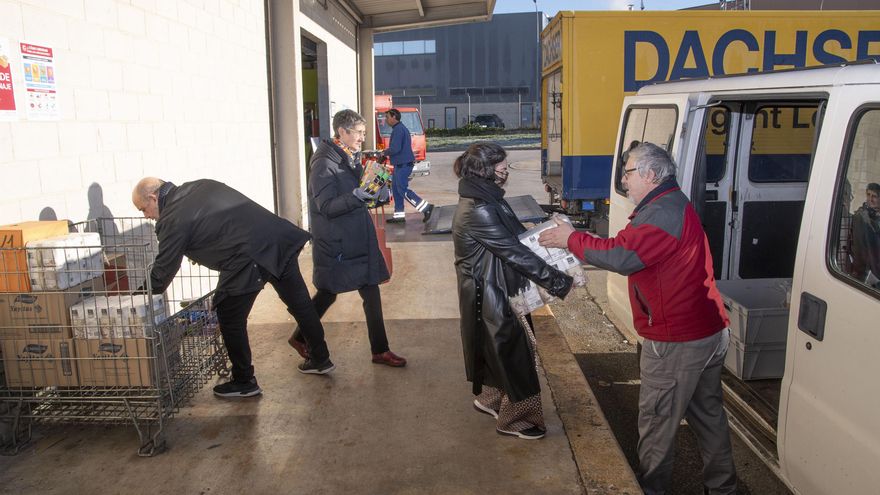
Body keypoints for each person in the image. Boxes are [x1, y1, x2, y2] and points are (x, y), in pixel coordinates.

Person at [539, 142, 737, 494]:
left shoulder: (662, 212)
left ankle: (653, 489)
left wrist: (572, 239)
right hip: (707, 329)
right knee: (708, 416)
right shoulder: (670, 203)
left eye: (627, 173)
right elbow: (630, 246)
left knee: (658, 422)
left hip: (678, 339)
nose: (624, 181)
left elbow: (623, 255)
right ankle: (723, 488)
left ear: (649, 174)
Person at [131, 177, 334, 399]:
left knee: (229, 315)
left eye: (144, 209)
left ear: (153, 198)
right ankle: (320, 358)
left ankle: (244, 381)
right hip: (276, 238)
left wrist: (131, 303)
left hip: (249, 256)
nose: (147, 216)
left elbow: (162, 271)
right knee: (301, 304)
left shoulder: (173, 217)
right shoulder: (199, 185)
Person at [452, 142, 573, 440]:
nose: (506, 172)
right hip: (490, 291)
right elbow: (515, 252)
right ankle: (516, 419)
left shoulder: (485, 195)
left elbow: (515, 236)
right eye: (502, 168)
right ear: (485, 170)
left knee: (499, 350)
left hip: (497, 284)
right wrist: (558, 280)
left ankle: (491, 399)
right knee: (516, 352)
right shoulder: (478, 208)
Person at [287, 109, 407, 368]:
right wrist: (358, 195)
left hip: (356, 237)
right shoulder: (324, 163)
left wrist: (375, 193)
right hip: (338, 242)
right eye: (359, 133)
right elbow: (327, 206)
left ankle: (380, 350)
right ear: (342, 131)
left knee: (370, 290)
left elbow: (356, 195)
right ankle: (299, 337)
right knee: (328, 292)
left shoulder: (348, 157)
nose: (363, 138)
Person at [382, 108, 435, 224]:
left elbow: (395, 148)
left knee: (402, 189)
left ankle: (426, 208)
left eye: (387, 117)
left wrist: (384, 153)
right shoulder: (399, 129)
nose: (386, 120)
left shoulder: (398, 130)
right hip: (400, 165)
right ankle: (399, 215)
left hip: (402, 165)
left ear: (394, 117)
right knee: (396, 190)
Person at [851, 182, 880, 287]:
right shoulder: (862, 217)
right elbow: (860, 249)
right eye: (868, 195)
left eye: (874, 196)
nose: (870, 199)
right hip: (871, 270)